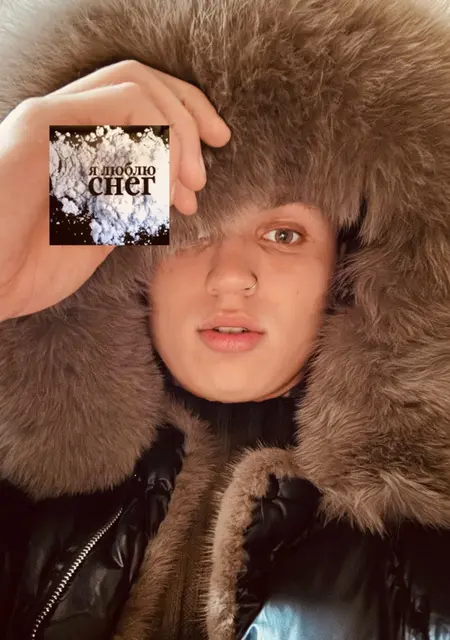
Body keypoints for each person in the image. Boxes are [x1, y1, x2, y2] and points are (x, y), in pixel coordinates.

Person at [1, 0, 450, 639]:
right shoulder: (21, 499)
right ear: (125, 262)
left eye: (284, 234)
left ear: (350, 268)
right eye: (189, 232)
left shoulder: (430, 544)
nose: (231, 275)